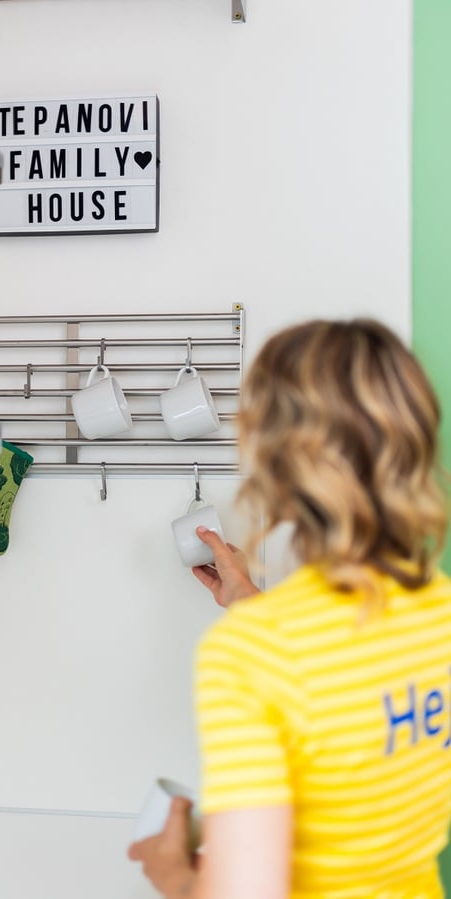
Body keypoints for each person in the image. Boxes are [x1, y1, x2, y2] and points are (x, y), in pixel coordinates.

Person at [128, 318, 451, 899]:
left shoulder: (251, 656)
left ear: (275, 461)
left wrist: (173, 874)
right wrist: (251, 605)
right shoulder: (439, 608)